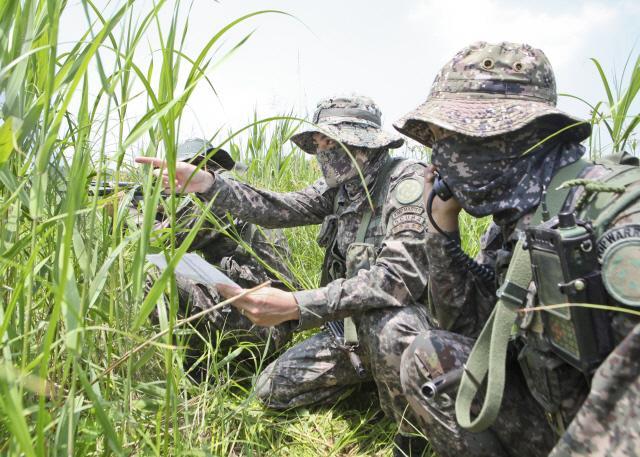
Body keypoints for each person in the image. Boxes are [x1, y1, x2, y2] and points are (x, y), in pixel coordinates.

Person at [137, 96, 432, 455]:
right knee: (271, 388)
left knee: (393, 326)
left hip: (403, 327)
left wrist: (296, 305)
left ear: (362, 143)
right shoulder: (338, 191)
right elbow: (280, 207)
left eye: (330, 143)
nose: (322, 153)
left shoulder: (406, 184)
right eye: (318, 144)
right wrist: (208, 185)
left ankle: (414, 432)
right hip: (348, 332)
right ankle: (373, 381)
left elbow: (399, 278)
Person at [394, 41, 640, 457]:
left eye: (453, 134)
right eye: (436, 138)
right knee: (428, 355)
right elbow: (470, 334)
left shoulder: (615, 218)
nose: (439, 155)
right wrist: (441, 226)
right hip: (552, 418)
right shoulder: (513, 221)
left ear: (514, 134)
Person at [151, 139, 296, 374]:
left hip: (261, 326)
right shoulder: (239, 192)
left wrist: (131, 215)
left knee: (158, 273)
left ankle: (191, 370)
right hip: (275, 321)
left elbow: (158, 243)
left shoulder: (214, 198)